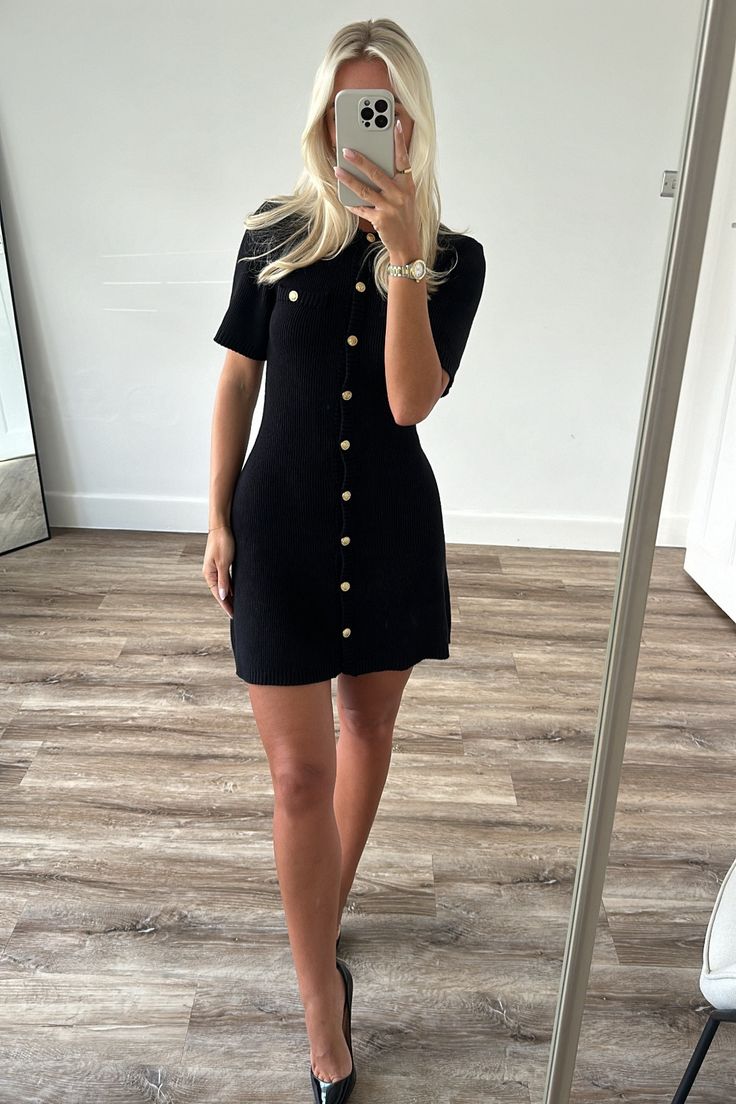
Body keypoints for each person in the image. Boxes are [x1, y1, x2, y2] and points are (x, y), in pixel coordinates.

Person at [202, 17, 485, 1102]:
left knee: (367, 729)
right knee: (296, 775)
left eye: (385, 108)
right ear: (325, 118)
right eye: (348, 106)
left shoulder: (456, 259)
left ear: (412, 121)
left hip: (392, 532)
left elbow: (411, 401)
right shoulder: (272, 234)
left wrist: (403, 253)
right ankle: (323, 1001)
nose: (364, 125)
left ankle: (325, 906)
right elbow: (238, 376)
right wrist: (216, 516)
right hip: (279, 530)